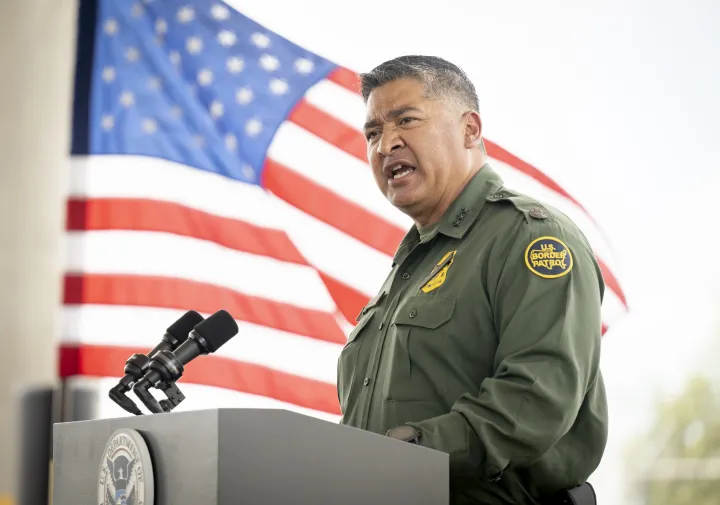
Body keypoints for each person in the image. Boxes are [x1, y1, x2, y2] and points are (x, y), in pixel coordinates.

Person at [336, 55, 607, 505]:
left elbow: (536, 401)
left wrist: (413, 447)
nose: (385, 145)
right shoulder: (407, 270)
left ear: (471, 130)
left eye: (406, 120)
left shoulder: (531, 236)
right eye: (372, 133)